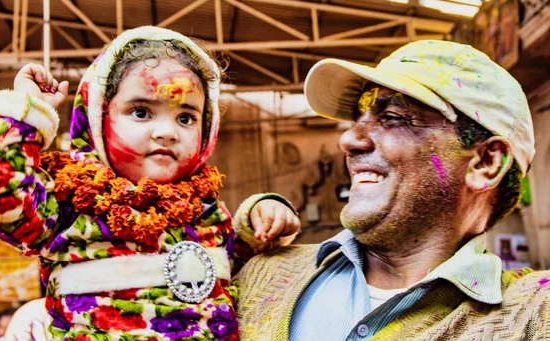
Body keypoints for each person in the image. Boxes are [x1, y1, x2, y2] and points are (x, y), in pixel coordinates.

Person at [0, 26, 300, 340]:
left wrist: (259, 219)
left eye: (186, 117)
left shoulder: (206, 211)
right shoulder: (68, 203)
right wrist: (27, 114)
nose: (166, 131)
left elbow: (234, 262)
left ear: (207, 129)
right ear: (98, 119)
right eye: (141, 112)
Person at [233, 40, 550, 340]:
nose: (348, 140)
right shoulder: (262, 274)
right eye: (359, 118)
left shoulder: (529, 314)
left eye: (393, 118)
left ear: (485, 163)